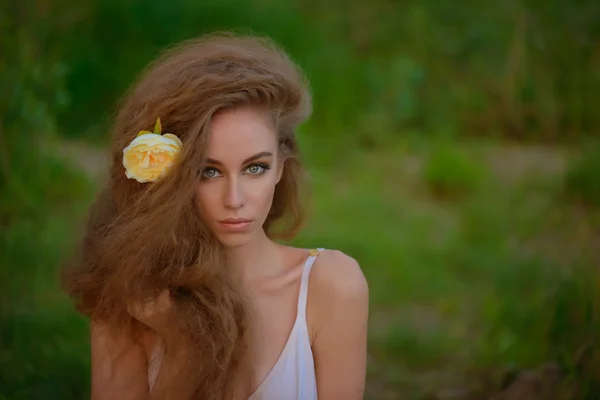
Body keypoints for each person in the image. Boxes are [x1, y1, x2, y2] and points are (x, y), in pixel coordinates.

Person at [62, 32, 369, 400]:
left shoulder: (332, 286)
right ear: (169, 180)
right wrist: (182, 350)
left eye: (255, 168)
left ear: (281, 167)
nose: (234, 199)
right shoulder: (135, 300)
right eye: (208, 172)